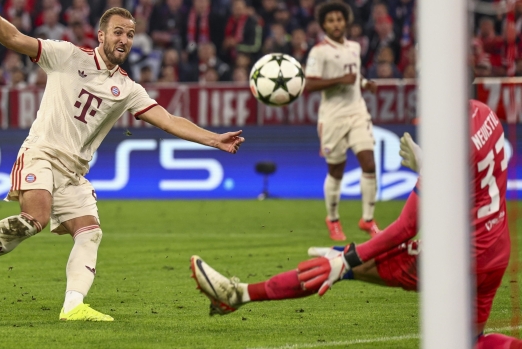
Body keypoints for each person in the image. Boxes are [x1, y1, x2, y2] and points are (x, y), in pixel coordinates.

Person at [0, 2, 245, 322]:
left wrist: (213, 139)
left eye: (130, 34)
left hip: (74, 173)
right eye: (117, 32)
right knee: (33, 220)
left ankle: (73, 305)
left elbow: (167, 120)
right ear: (101, 35)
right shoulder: (67, 55)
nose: (124, 39)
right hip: (41, 153)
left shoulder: (127, 89)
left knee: (90, 232)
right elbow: (13, 38)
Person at [190, 100, 521, 348]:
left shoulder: (451, 142)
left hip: (458, 261)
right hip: (495, 253)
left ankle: (237, 295)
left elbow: (407, 226)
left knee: (339, 262)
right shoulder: (486, 115)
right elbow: (468, 184)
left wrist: (348, 259)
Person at [304, 1, 379, 240]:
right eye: (330, 21)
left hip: (357, 112)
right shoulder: (319, 52)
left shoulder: (355, 47)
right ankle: (333, 219)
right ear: (324, 25)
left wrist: (365, 83)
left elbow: (355, 76)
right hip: (333, 117)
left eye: (339, 19)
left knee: (369, 163)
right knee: (336, 170)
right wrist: (340, 80)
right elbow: (309, 84)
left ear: (345, 21)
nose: (336, 24)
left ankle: (367, 220)